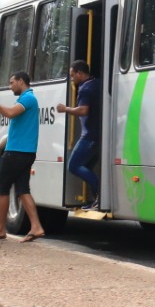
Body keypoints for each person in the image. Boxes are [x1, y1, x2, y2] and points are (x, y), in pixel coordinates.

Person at [0, 71, 46, 242]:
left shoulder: (28, 98)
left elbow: (10, 113)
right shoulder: (27, 99)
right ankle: (36, 226)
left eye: (12, 82)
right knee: (22, 190)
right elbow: (15, 132)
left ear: (21, 81)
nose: (10, 86)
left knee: (3, 189)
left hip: (16, 154)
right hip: (24, 153)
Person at [57, 60, 101, 209]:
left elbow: (83, 110)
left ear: (80, 73)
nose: (72, 79)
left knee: (74, 166)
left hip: (89, 136)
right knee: (86, 166)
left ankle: (99, 196)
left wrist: (66, 109)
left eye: (72, 75)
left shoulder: (85, 89)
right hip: (98, 135)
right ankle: (94, 199)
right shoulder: (97, 83)